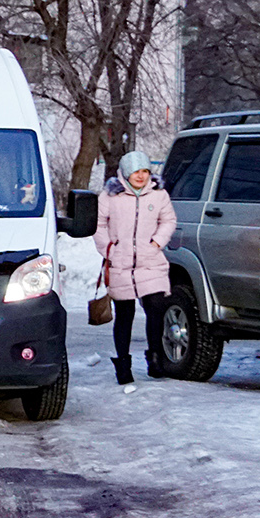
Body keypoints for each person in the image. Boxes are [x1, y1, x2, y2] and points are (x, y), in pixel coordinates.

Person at [94, 150, 177, 392]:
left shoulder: (159, 195)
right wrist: (109, 249)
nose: (140, 177)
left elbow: (168, 221)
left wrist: (156, 243)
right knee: (125, 314)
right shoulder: (110, 196)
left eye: (144, 171)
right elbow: (98, 224)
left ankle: (155, 359)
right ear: (125, 174)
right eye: (135, 172)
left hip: (150, 261)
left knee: (156, 309)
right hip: (120, 263)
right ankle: (123, 365)